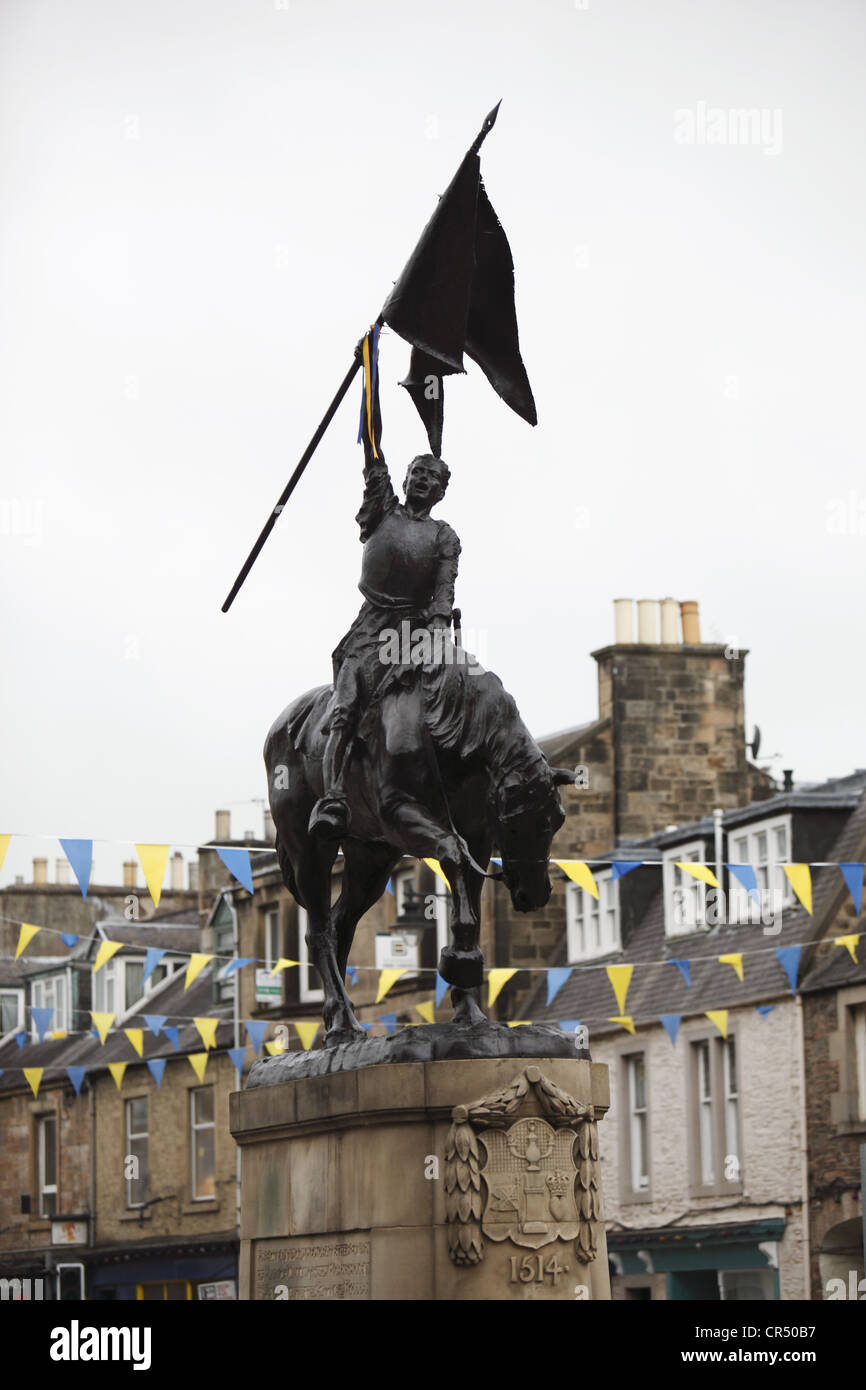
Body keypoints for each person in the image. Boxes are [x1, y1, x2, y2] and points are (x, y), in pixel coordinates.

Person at [308, 333, 461, 840]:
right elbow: (372, 439)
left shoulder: (445, 537)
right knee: (345, 711)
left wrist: (438, 631)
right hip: (369, 633)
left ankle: (451, 788)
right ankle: (332, 798)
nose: (419, 479)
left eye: (429, 477)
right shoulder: (383, 509)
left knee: (455, 699)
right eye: (415, 472)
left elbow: (443, 595)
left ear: (440, 491)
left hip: (415, 637)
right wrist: (369, 368)